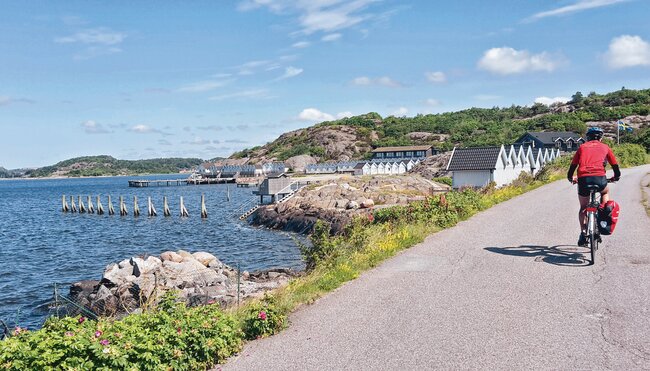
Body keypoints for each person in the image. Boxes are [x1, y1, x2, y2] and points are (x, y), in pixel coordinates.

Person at [567, 127, 620, 246]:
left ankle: (583, 232)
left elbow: (573, 166)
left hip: (583, 180)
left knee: (583, 208)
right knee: (605, 192)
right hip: (600, 179)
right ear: (600, 138)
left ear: (588, 137)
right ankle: (604, 210)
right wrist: (616, 177)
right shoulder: (605, 147)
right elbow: (615, 165)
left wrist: (571, 177)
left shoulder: (582, 147)